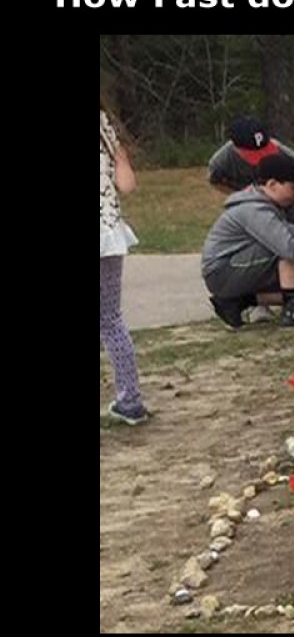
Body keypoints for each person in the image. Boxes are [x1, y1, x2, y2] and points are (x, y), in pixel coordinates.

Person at [201, 150, 294, 330]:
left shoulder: (268, 205)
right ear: (271, 184)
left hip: (235, 269)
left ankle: (235, 304)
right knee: (288, 248)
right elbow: (291, 249)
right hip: (222, 271)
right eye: (293, 187)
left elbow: (292, 239)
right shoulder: (254, 210)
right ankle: (292, 313)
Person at [100, 97, 149, 425]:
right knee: (111, 318)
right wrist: (120, 155)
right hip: (108, 233)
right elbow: (127, 185)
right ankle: (130, 398)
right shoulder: (104, 126)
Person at [207, 116, 294, 195]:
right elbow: (215, 180)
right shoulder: (222, 160)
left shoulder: (279, 150)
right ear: (236, 147)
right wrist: (239, 195)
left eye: (264, 150)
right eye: (253, 153)